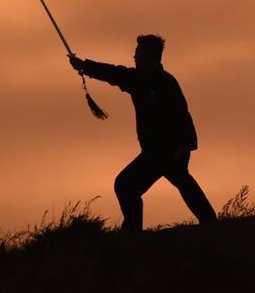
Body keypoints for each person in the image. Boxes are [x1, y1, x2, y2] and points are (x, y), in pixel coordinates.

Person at [69, 34, 216, 231]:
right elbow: (113, 73)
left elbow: (182, 115)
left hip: (170, 149)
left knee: (135, 184)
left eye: (138, 53)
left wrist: (186, 145)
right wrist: (84, 66)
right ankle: (135, 230)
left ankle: (208, 223)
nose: (135, 57)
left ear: (150, 56)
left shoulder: (166, 83)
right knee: (132, 185)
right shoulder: (136, 79)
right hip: (153, 151)